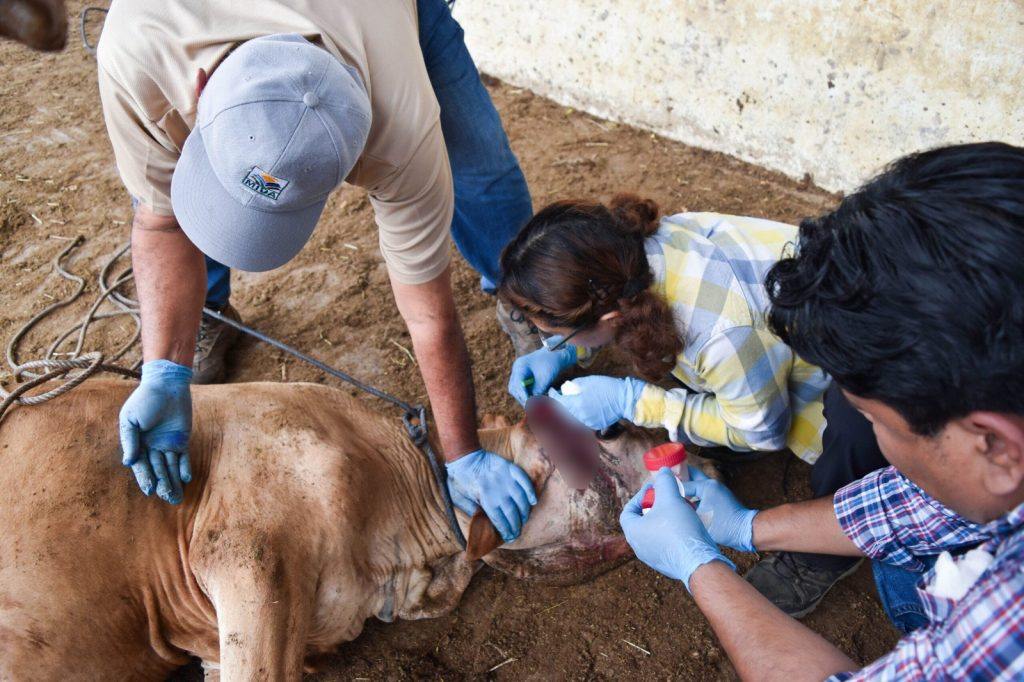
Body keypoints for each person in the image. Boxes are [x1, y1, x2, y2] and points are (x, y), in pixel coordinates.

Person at [97, 0, 537, 542]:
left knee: (478, 163)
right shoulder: (137, 45)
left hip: (386, 16)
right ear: (201, 86)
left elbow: (428, 315)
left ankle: (526, 294)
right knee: (192, 202)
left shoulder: (402, 127)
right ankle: (206, 310)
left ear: (353, 157)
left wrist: (463, 452)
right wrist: (164, 368)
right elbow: (164, 221)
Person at [620, 142, 1024, 679]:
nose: (868, 431)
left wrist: (701, 568)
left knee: (907, 577)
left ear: (995, 446)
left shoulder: (1011, 613)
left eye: (875, 420)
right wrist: (746, 527)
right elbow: (920, 506)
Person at [497, 195, 888, 615]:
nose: (551, 343)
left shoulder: (718, 333)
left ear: (608, 318)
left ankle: (825, 555)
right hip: (809, 320)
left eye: (556, 336)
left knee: (854, 437)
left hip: (871, 369)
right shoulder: (635, 256)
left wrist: (638, 401)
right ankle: (731, 411)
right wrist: (569, 351)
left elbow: (762, 431)